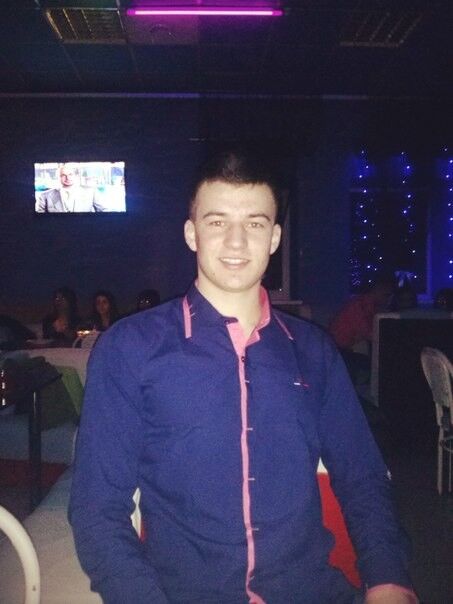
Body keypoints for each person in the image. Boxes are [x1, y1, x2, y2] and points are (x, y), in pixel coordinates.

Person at [69, 150, 417, 603]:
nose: (236, 242)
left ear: (274, 238)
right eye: (217, 222)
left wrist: (388, 579)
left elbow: (363, 477)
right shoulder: (129, 349)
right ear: (192, 233)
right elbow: (97, 511)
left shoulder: (313, 352)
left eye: (254, 223)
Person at [35, 163, 106, 213]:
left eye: (70, 174)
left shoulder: (91, 192)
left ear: (76, 176)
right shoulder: (44, 196)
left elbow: (104, 212)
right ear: (58, 177)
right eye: (63, 175)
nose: (68, 178)